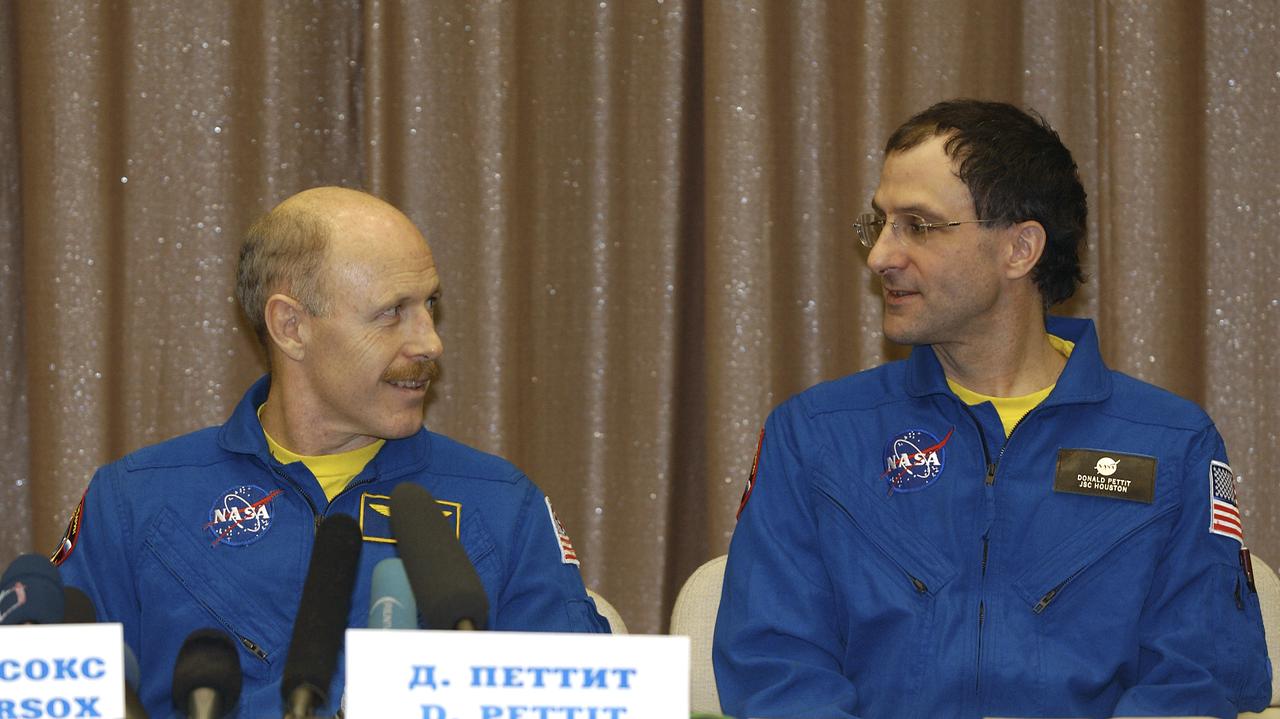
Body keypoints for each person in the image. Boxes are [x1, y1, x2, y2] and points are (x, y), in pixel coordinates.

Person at [713, 99, 1270, 718]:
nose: (880, 256)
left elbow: (1198, 679)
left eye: (918, 226)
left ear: (1019, 249)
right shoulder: (815, 435)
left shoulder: (1170, 442)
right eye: (880, 223)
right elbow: (774, 669)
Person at [52, 187, 609, 718]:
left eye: (429, 305)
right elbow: (53, 695)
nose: (430, 342)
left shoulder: (503, 507)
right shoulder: (135, 501)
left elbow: (585, 700)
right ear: (291, 326)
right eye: (392, 311)